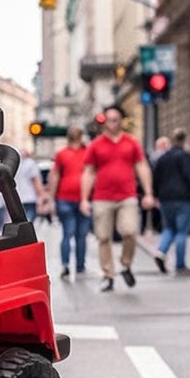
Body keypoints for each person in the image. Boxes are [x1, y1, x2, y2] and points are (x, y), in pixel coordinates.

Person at [80, 105, 154, 292]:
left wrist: (148, 193)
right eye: (109, 119)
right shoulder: (96, 144)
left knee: (130, 231)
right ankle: (108, 275)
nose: (113, 123)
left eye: (116, 119)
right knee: (103, 237)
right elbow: (88, 172)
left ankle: (126, 263)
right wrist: (84, 199)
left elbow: (142, 166)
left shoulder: (131, 142)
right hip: (102, 197)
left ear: (120, 121)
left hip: (127, 196)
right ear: (105, 122)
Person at [151, 129, 190, 276]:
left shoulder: (163, 158)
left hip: (166, 198)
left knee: (168, 228)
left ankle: (161, 251)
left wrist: (156, 195)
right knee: (181, 232)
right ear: (185, 140)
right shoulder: (184, 156)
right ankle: (180, 265)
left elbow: (156, 179)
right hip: (184, 198)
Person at [47, 126, 90, 279]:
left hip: (66, 198)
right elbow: (56, 175)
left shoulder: (62, 153)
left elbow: (55, 176)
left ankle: (66, 265)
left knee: (68, 234)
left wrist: (51, 198)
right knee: (80, 235)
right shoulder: (86, 152)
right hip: (76, 198)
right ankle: (79, 267)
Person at [14, 149, 47, 224]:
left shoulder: (14, 165)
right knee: (28, 224)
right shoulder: (31, 164)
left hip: (16, 198)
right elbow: (36, 181)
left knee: (19, 223)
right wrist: (42, 197)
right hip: (30, 198)